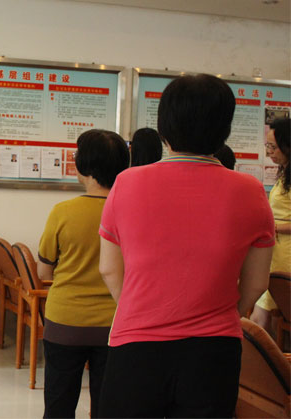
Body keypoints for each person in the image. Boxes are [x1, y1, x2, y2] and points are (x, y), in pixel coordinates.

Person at [98, 74, 274, 417]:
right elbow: (257, 283)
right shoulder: (250, 191)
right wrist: (224, 315)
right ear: (225, 129)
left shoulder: (127, 183)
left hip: (137, 346)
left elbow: (108, 268)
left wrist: (139, 309)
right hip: (214, 351)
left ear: (164, 127)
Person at [38, 129, 129, 418]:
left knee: (59, 404)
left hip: (65, 321)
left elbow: (44, 271)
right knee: (108, 406)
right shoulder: (131, 211)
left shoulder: (62, 211)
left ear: (83, 165)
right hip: (115, 324)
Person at [250, 117, 291, 333]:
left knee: (263, 316)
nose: (269, 152)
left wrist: (275, 228)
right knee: (263, 316)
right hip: (277, 253)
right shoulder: (284, 173)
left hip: (286, 256)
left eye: (273, 147)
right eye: (268, 146)